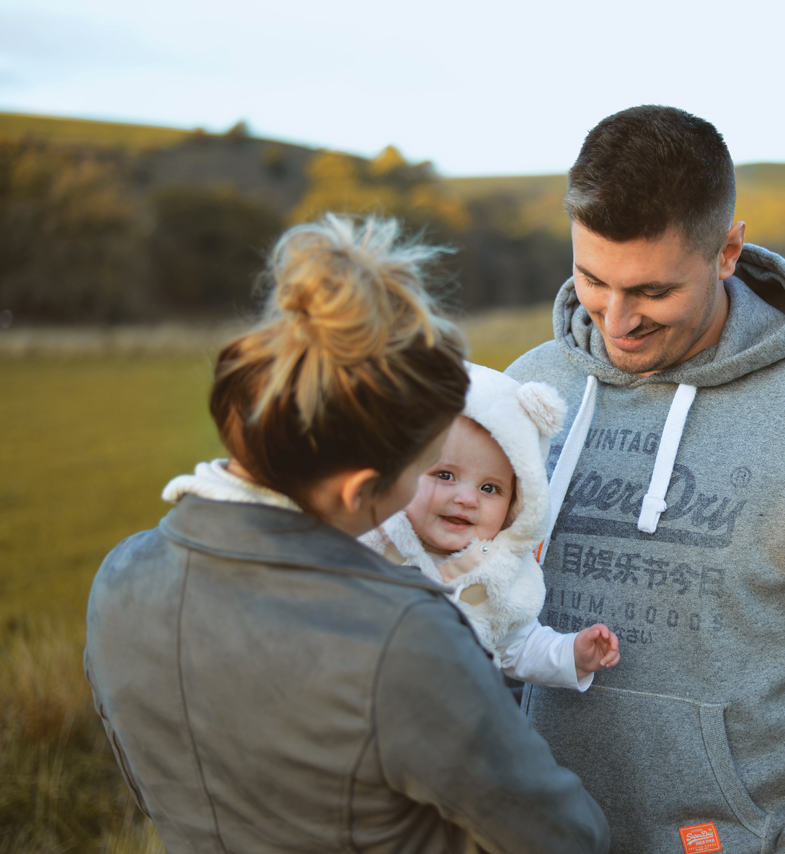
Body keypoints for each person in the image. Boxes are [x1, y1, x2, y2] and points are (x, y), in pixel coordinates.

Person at [84, 215, 609, 854]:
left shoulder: (121, 576)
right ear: (359, 490)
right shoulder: (404, 635)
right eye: (423, 466)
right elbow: (567, 837)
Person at [506, 106, 785, 854]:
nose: (616, 319)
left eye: (652, 291)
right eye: (592, 279)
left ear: (728, 251)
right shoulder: (527, 394)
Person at [362, 362, 621, 690]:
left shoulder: (497, 575)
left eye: (489, 489)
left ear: (517, 504)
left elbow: (520, 648)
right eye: (444, 476)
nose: (467, 499)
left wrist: (572, 657)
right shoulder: (368, 539)